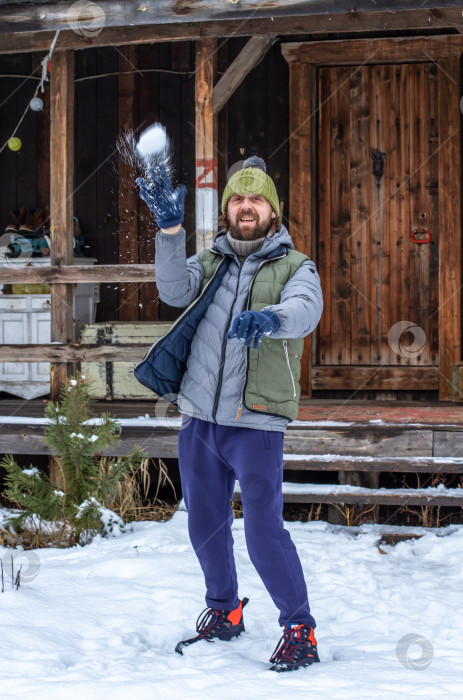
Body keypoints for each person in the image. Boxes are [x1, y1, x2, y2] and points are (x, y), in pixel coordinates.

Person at [135, 156, 323, 672]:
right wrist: (170, 230)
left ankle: (300, 629)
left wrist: (272, 317)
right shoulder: (209, 262)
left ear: (273, 212)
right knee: (205, 527)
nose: (246, 207)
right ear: (226, 211)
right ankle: (225, 611)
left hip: (255, 423)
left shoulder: (294, 265)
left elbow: (306, 309)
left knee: (264, 533)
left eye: (256, 199)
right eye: (237, 199)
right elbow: (173, 291)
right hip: (200, 422)